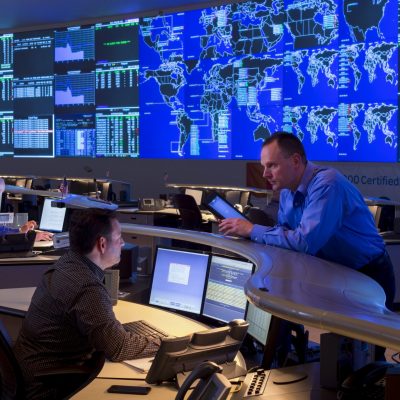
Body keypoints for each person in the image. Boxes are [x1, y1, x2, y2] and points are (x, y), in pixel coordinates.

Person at [219, 132, 395, 359]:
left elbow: (303, 242)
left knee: (366, 357)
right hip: (337, 273)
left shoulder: (327, 184)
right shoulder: (286, 193)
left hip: (369, 275)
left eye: (271, 165)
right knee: (340, 352)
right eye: (264, 166)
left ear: (295, 161)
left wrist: (252, 230)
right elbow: (284, 235)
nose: (265, 173)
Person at [14, 209, 161, 399]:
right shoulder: (86, 286)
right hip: (45, 387)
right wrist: (164, 343)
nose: (123, 243)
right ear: (102, 244)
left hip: (27, 370)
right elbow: (118, 348)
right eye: (118, 238)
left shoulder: (67, 263)